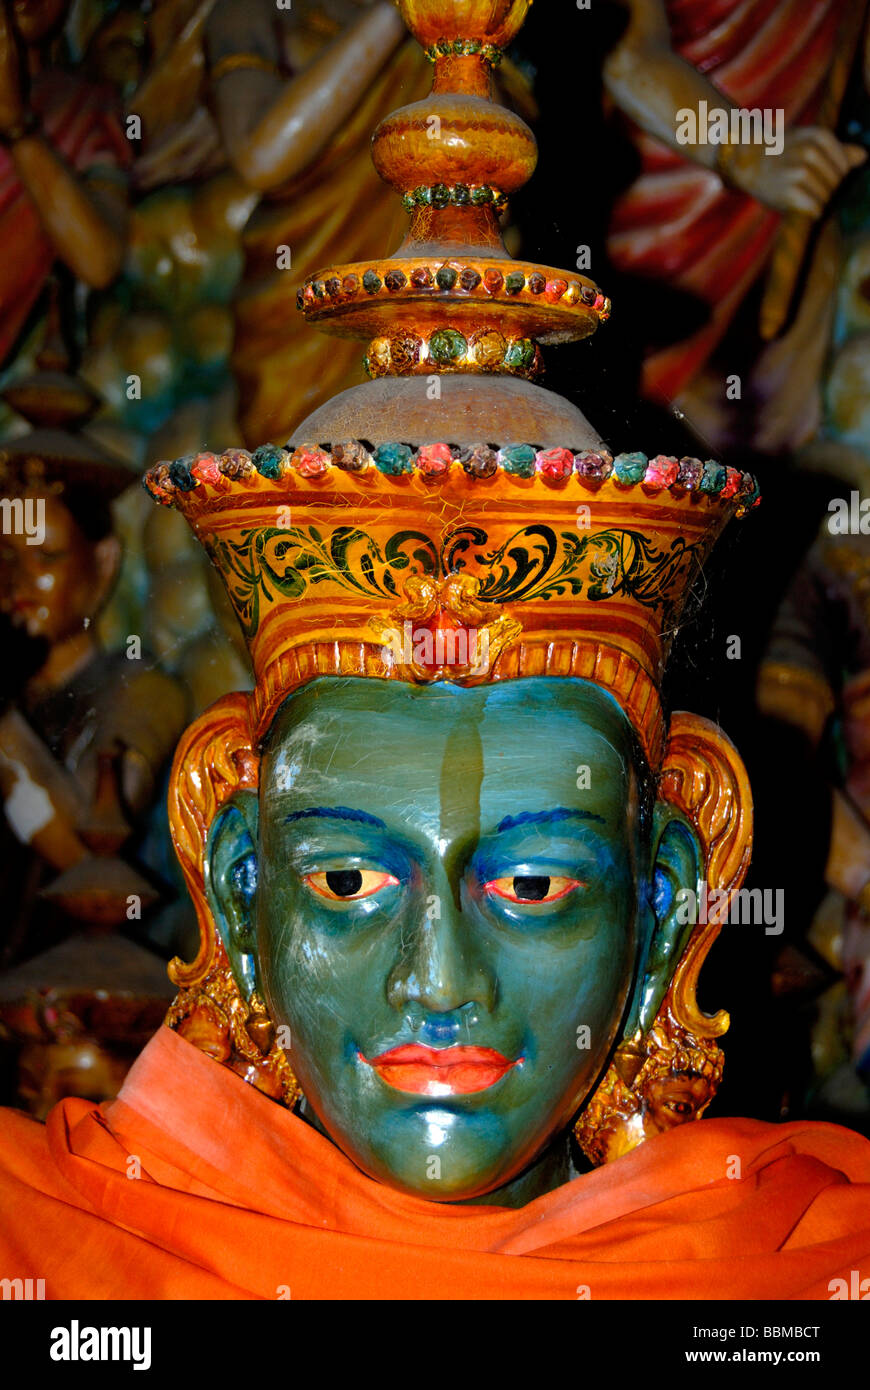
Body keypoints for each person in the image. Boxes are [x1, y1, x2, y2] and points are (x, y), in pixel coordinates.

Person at [0, 0, 867, 1301]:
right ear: (236, 886)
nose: (438, 985)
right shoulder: (63, 1256)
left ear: (669, 887)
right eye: (345, 879)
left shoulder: (794, 1275)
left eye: (531, 885)